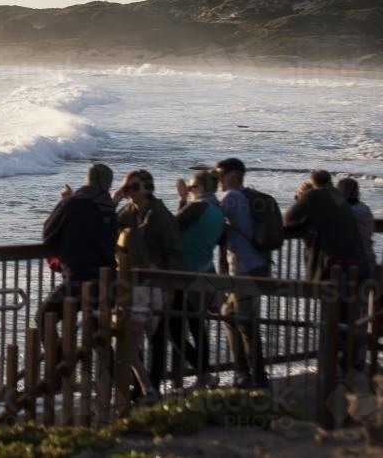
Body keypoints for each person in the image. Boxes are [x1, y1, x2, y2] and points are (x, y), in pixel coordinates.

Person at [284, 170, 369, 372]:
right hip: (356, 264)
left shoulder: (315, 195)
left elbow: (288, 219)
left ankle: (330, 368)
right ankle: (347, 362)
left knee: (330, 317)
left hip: (333, 266)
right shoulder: (337, 196)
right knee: (346, 316)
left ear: (313, 184)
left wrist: (303, 196)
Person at [113, 169, 181, 394]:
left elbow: (173, 252)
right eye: (127, 189)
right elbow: (109, 225)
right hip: (136, 281)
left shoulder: (160, 214)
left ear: (147, 188)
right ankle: (140, 387)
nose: (129, 193)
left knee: (157, 338)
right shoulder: (130, 210)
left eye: (133, 188)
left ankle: (153, 386)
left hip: (158, 281)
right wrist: (115, 199)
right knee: (135, 336)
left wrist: (169, 287)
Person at [37, 162, 118, 334]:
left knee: (44, 317)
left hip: (76, 282)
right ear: (108, 186)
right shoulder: (109, 210)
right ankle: (109, 361)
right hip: (108, 286)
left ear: (87, 179)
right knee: (97, 330)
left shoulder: (70, 204)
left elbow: (48, 233)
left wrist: (67, 200)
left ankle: (58, 359)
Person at [214, 157, 270, 389]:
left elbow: (208, 213)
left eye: (218, 177)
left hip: (247, 269)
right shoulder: (245, 196)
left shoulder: (232, 197)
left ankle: (254, 378)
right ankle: (244, 372)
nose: (216, 182)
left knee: (245, 322)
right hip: (255, 265)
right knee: (230, 312)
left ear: (232, 178)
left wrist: (189, 195)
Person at [170, 170, 225, 386]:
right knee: (196, 326)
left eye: (192, 188)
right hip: (206, 271)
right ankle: (204, 375)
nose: (191, 192)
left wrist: (182, 200)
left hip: (187, 274)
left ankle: (204, 372)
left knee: (173, 328)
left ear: (200, 188)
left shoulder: (198, 206)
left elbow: (172, 227)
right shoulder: (217, 210)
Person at [337, 176, 376, 267]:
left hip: (349, 263)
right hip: (369, 260)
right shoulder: (366, 210)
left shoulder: (343, 212)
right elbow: (370, 235)